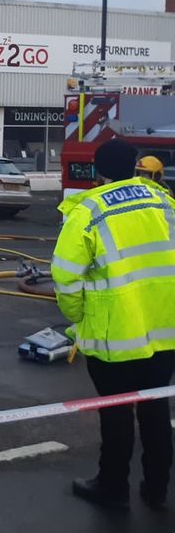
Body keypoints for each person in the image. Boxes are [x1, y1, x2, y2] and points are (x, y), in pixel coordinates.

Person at [53, 139, 175, 509]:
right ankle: (156, 489)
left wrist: (77, 316)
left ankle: (112, 486)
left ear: (97, 169)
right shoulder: (163, 201)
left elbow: (65, 274)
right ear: (137, 164)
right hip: (166, 331)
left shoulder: (89, 210)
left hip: (115, 335)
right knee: (155, 409)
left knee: (117, 411)